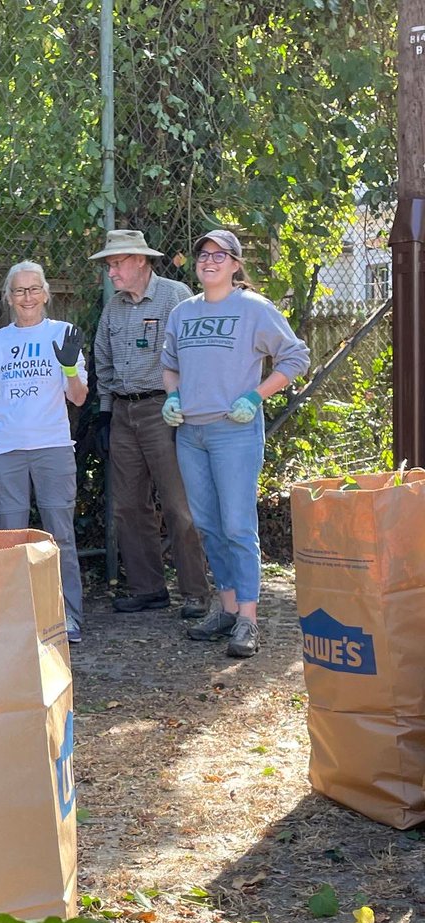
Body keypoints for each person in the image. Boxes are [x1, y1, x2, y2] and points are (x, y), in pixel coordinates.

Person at [161, 229, 310, 658]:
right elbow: (169, 365)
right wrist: (173, 396)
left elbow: (295, 357)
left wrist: (255, 396)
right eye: (203, 255)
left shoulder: (253, 309)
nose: (209, 262)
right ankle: (225, 609)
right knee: (207, 525)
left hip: (235, 431)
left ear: (236, 264)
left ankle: (248, 620)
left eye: (219, 255)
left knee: (238, 526)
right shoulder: (183, 313)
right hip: (191, 433)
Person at [90, 229, 209, 617]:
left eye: (117, 263)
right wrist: (106, 412)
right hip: (123, 413)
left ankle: (195, 592)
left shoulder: (175, 296)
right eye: (109, 265)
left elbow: (191, 354)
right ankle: (148, 588)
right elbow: (102, 360)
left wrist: (184, 403)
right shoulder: (114, 308)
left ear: (140, 260)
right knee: (127, 505)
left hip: (165, 409)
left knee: (179, 504)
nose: (112, 272)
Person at [0, 260, 88, 644]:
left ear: (46, 293)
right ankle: (16, 618)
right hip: (6, 452)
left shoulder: (63, 333)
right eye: (20, 290)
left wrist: (70, 368)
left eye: (34, 289)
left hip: (53, 447)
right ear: (8, 296)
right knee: (10, 537)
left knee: (60, 534)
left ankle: (68, 615)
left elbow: (78, 398)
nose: (27, 297)